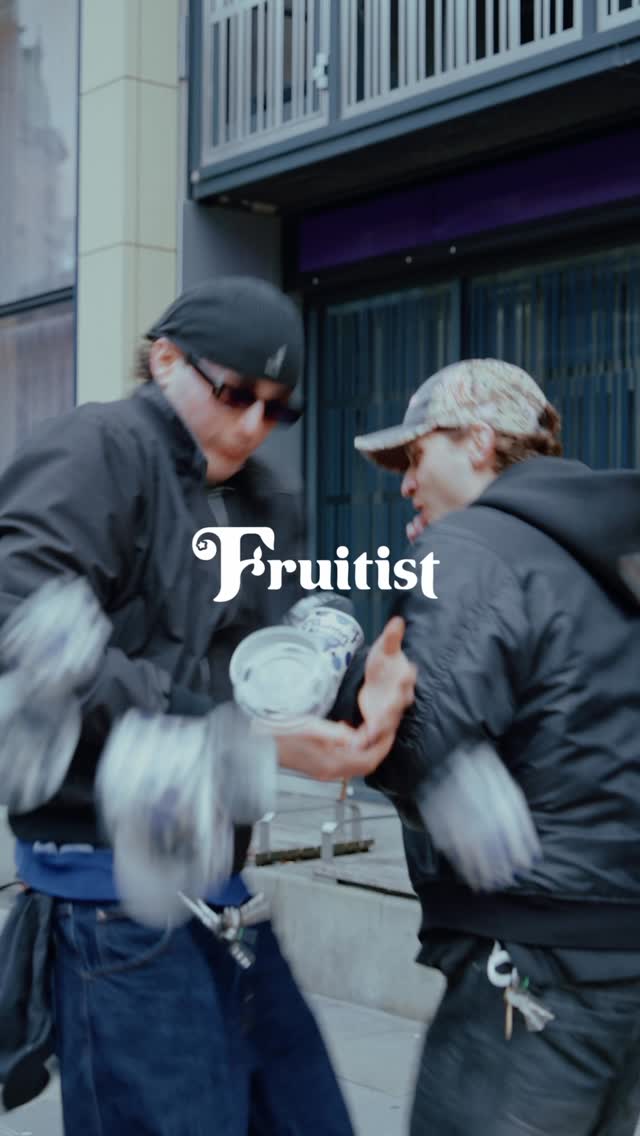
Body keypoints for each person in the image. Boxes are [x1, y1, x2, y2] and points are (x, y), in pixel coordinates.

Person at [0, 276, 414, 1135]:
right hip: (105, 899)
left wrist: (357, 687)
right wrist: (237, 736)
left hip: (218, 887)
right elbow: (21, 631)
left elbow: (282, 657)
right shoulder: (97, 448)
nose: (256, 423)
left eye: (279, 408)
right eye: (235, 394)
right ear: (163, 360)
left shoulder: (260, 497)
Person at [350, 358, 640, 1136]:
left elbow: (418, 741)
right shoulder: (613, 554)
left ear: (479, 441)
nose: (406, 485)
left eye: (416, 456)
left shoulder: (474, 547)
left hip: (527, 960)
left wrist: (348, 685)